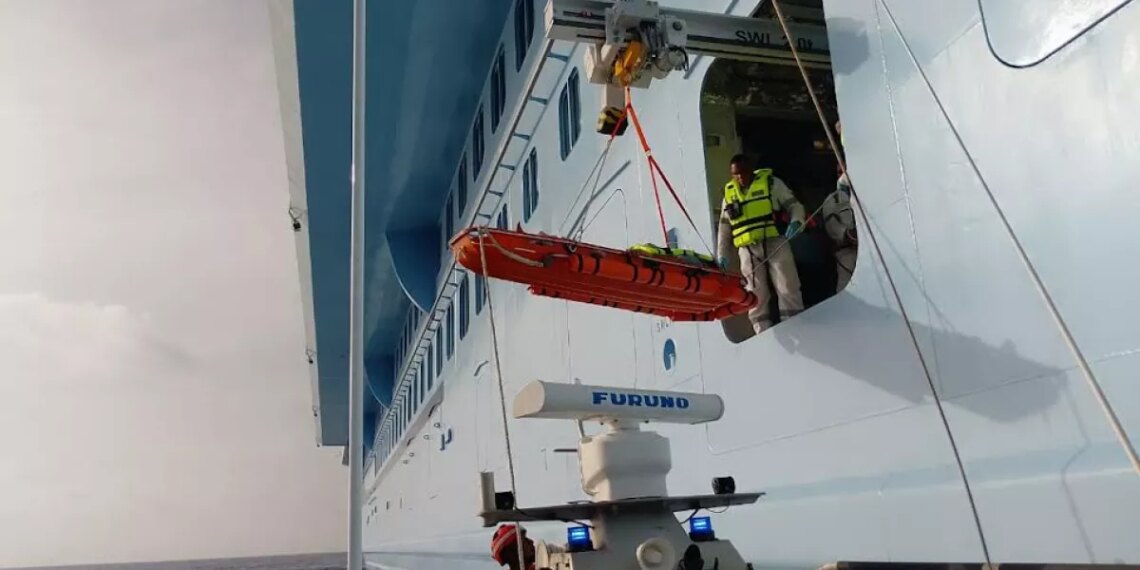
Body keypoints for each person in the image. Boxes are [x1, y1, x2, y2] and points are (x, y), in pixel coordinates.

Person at [716, 154, 805, 333]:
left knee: (787, 285)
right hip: (748, 249)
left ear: (751, 170)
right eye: (735, 174)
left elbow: (795, 206)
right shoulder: (729, 196)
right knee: (755, 294)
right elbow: (724, 230)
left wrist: (796, 221)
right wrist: (722, 255)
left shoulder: (771, 184)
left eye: (743, 172)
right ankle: (762, 331)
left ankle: (795, 325)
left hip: (775, 243)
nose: (739, 177)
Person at [823, 120, 857, 290]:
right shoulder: (833, 199)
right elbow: (833, 225)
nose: (842, 174)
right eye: (839, 172)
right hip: (846, 251)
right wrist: (849, 235)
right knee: (846, 285)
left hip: (866, 250)